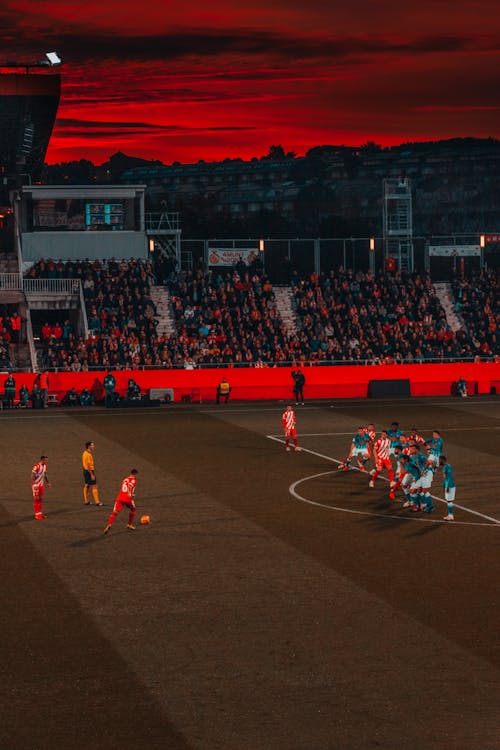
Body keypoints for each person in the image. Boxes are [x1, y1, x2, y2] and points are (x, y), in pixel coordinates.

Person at [104, 469, 139, 534]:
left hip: (120, 497)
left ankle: (109, 525)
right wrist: (129, 493)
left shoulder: (125, 479)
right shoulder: (134, 480)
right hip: (127, 498)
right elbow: (129, 486)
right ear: (135, 474)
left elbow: (125, 487)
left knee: (115, 512)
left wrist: (131, 493)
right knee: (133, 509)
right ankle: (129, 524)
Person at [82, 441, 103, 506]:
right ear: (89, 446)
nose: (93, 446)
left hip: (85, 471)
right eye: (92, 445)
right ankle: (97, 502)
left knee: (87, 485)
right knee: (94, 486)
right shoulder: (88, 455)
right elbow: (88, 466)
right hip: (89, 471)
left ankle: (86, 501)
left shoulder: (84, 453)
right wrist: (91, 474)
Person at [31, 455, 51, 520]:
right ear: (42, 460)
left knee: (40, 499)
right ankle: (36, 514)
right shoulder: (36, 466)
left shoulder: (45, 466)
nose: (47, 461)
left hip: (41, 485)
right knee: (36, 499)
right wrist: (35, 485)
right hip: (36, 485)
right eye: (46, 460)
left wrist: (48, 482)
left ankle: (39, 513)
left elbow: (45, 475)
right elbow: (32, 476)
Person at [439, 455, 456, 521]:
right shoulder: (448, 466)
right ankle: (450, 515)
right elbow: (447, 477)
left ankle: (450, 515)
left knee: (449, 501)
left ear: (443, 460)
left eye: (439, 460)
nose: (439, 461)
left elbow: (447, 478)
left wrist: (447, 486)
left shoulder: (445, 467)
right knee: (449, 500)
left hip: (450, 485)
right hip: (450, 485)